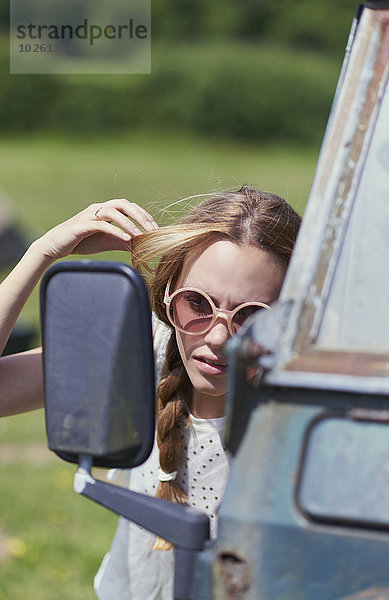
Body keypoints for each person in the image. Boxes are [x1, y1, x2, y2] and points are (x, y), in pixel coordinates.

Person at [0, 186, 301, 599]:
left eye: (249, 316)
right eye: (196, 303)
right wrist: (41, 253)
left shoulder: (304, 407)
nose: (217, 336)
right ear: (167, 295)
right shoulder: (142, 349)